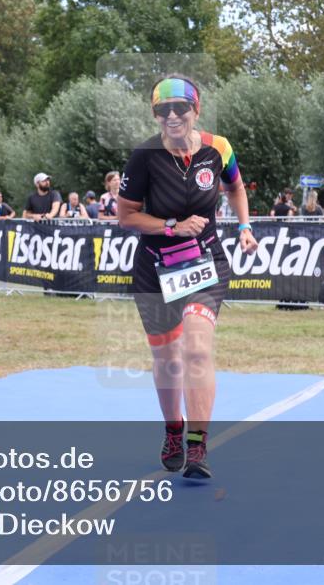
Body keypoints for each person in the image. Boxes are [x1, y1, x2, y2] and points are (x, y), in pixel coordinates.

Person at [117, 74, 258, 480]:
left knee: (196, 350)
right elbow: (126, 216)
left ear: (197, 110)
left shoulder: (219, 148)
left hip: (205, 262)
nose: (173, 116)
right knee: (166, 359)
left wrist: (245, 226)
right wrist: (170, 226)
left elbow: (235, 188)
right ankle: (174, 431)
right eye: (164, 110)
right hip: (155, 267)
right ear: (155, 114)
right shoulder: (144, 156)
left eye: (181, 108)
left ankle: (197, 447)